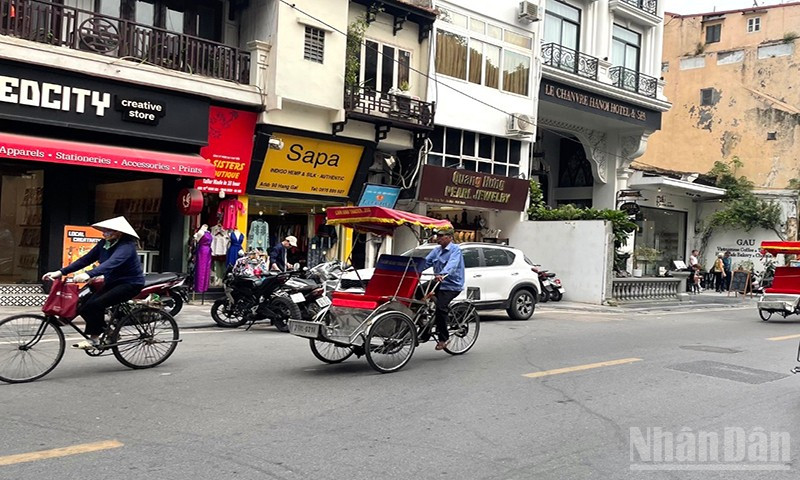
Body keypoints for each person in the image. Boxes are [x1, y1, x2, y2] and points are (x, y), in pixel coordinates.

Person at [42, 217, 145, 349]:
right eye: (104, 231)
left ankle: (94, 339)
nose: (105, 233)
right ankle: (109, 332)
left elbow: (112, 263)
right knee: (83, 304)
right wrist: (61, 272)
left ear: (119, 233)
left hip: (130, 284)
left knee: (96, 304)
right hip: (111, 282)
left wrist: (89, 274)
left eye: (108, 231)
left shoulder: (126, 246)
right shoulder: (104, 244)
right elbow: (85, 260)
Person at [424, 226, 465, 351]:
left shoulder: (455, 250)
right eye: (438, 236)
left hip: (452, 284)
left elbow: (452, 264)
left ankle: (444, 338)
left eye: (442, 236)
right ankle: (422, 321)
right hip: (438, 282)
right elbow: (426, 262)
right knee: (416, 292)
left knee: (441, 308)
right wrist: (412, 269)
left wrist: (443, 273)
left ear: (450, 238)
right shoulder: (436, 250)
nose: (439, 238)